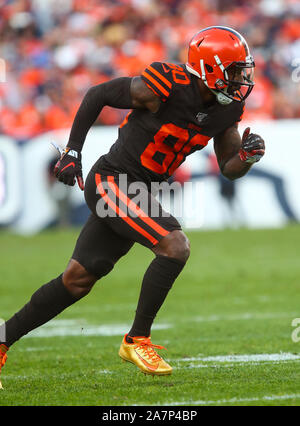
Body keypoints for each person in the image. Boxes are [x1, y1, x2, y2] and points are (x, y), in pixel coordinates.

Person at [0, 26, 265, 385]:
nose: (241, 79)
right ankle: (137, 339)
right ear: (210, 68)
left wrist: (247, 158)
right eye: (235, 70)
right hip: (112, 181)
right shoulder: (166, 83)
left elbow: (229, 167)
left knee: (77, 280)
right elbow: (99, 94)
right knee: (174, 245)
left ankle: (2, 340)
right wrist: (73, 151)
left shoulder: (227, 108)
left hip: (137, 192)